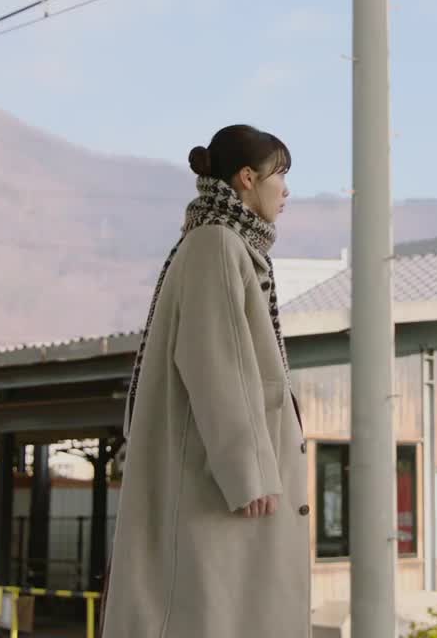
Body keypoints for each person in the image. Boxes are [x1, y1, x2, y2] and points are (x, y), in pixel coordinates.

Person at [99, 124, 310, 638]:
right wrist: (249, 470)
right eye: (280, 176)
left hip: (218, 479)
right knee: (210, 609)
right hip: (218, 485)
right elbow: (218, 360)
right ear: (247, 178)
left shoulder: (222, 242)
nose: (286, 191)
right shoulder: (217, 242)